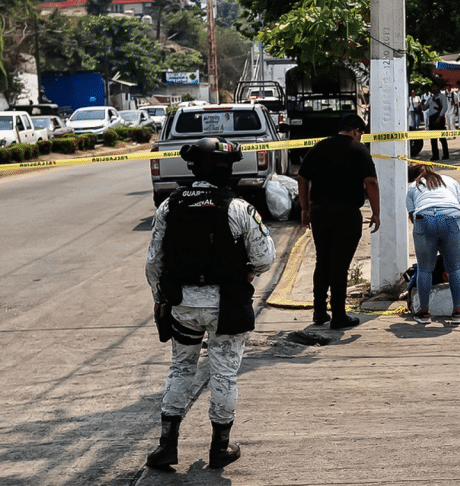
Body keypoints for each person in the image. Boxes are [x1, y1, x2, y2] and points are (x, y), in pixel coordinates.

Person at [145, 137, 276, 471]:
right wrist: (247, 273)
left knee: (181, 368)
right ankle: (220, 448)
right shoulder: (238, 208)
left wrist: (160, 299)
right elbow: (264, 257)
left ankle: (166, 447)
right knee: (224, 373)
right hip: (226, 306)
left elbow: (153, 263)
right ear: (226, 170)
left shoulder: (169, 205)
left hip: (182, 306)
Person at [297, 114, 381, 329]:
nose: (360, 137)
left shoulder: (319, 147)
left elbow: (303, 177)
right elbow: (370, 181)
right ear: (355, 131)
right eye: (360, 133)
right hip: (346, 213)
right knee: (340, 264)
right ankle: (339, 315)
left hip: (320, 213)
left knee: (323, 261)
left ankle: (319, 311)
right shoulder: (358, 150)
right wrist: (376, 212)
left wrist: (305, 208)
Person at [406, 163, 460, 325]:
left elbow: (413, 217)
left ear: (415, 177)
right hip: (452, 216)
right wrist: (451, 225)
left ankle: (424, 313)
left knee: (425, 269)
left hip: (424, 218)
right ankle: (457, 313)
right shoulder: (449, 180)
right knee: (455, 268)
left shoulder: (413, 187)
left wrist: (431, 233)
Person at [426, 83, 450, 160]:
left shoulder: (442, 97)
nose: (433, 89)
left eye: (435, 87)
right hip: (431, 118)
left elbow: (444, 107)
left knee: (442, 138)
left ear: (438, 88)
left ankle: (445, 154)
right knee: (433, 138)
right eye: (432, 87)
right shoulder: (430, 98)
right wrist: (422, 105)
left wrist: (440, 117)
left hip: (439, 117)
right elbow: (425, 107)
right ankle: (435, 155)